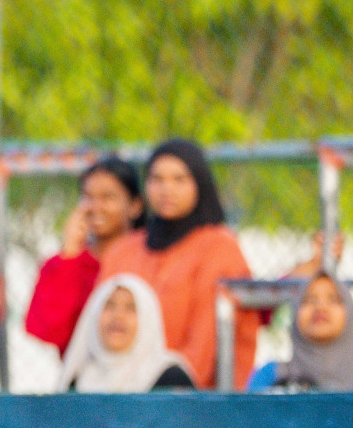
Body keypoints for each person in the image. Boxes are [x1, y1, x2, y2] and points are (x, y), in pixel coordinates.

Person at [96, 139, 258, 390]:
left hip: (194, 400)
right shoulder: (123, 251)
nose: (166, 189)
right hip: (121, 392)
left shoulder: (219, 247)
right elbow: (97, 329)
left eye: (179, 179)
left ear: (199, 184)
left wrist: (166, 387)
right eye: (156, 179)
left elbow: (204, 348)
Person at [25, 157, 145, 355]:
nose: (96, 207)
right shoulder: (67, 261)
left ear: (135, 205)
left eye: (107, 198)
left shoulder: (149, 259)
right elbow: (47, 331)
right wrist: (70, 253)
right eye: (88, 197)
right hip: (83, 379)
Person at [57, 275, 194, 392]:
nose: (118, 316)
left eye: (130, 308)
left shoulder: (171, 378)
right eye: (109, 306)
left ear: (147, 319)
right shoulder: (78, 381)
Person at [249, 272, 353, 392]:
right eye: (309, 300)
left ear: (351, 313)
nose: (320, 307)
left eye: (333, 299)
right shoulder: (269, 378)